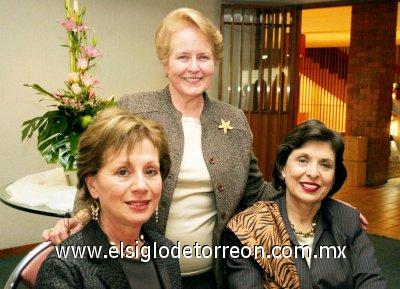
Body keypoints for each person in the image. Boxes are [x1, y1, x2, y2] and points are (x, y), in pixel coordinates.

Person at [42, 8, 366, 289]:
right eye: (183, 57)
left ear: (214, 62)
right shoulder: (134, 109)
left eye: (203, 57)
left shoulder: (234, 120)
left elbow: (258, 192)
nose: (193, 67)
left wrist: (326, 205)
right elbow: (99, 173)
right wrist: (79, 217)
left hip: (212, 272)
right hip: (139, 269)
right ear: (165, 62)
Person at [224, 119, 387, 289]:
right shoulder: (249, 229)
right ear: (282, 168)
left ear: (333, 178)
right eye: (303, 160)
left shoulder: (347, 220)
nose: (313, 173)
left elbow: (372, 281)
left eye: (325, 165)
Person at [35, 108, 181, 289]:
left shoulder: (165, 251)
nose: (141, 186)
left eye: (150, 171)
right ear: (92, 185)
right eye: (123, 172)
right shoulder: (64, 267)